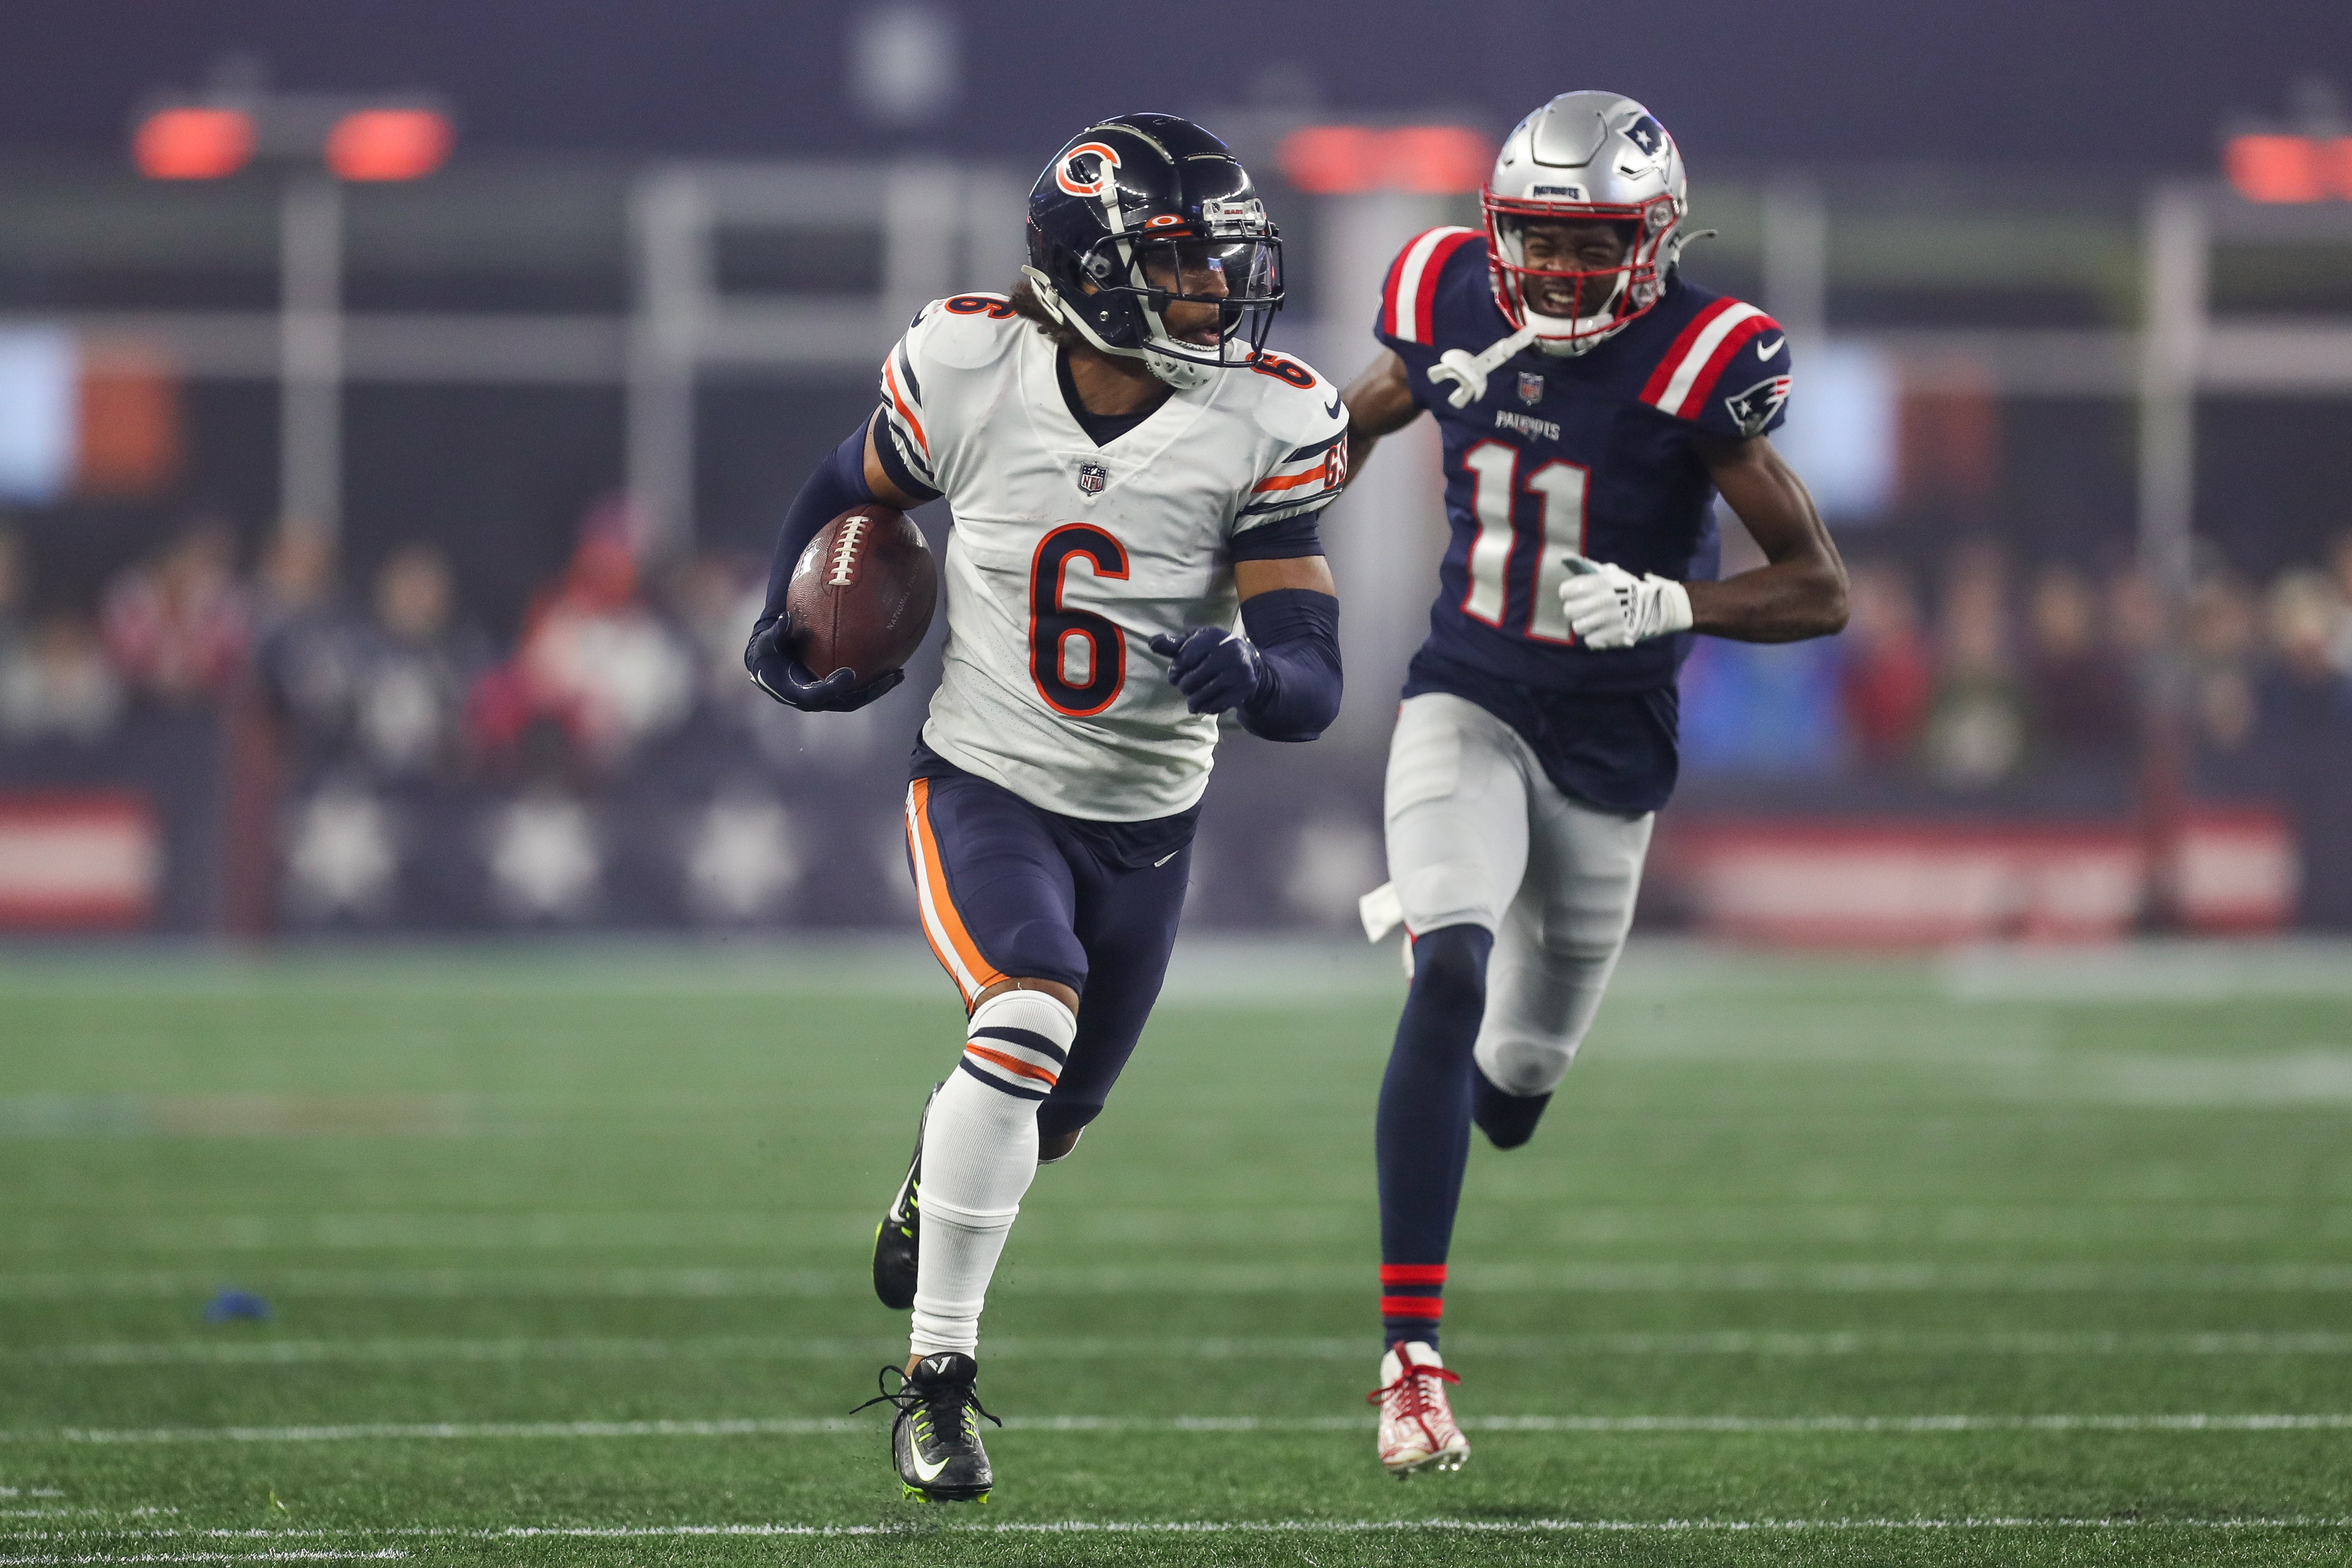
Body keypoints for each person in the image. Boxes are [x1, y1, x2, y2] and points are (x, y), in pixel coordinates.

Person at [743, 113, 1347, 1503]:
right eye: (1182, 263)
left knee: (1047, 1112)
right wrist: (789, 620)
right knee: (1027, 1006)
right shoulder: (970, 371)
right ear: (1088, 268)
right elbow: (849, 488)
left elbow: (1315, 673)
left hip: (1148, 824)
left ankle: (932, 1171)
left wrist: (1260, 676)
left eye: (1221, 261)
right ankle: (936, 1384)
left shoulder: (1256, 420)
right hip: (987, 781)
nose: (1215, 291)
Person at [1342, 91, 1848, 1473]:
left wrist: (1671, 603)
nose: (1558, 276)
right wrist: (1234, 518)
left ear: (1655, 238)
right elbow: (1346, 428)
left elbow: (1819, 590)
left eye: (1592, 246)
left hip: (1609, 757)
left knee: (1509, 1092)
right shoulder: (1446, 292)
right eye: (1537, 243)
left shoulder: (1699, 358)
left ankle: (1457, 933)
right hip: (1467, 696)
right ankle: (1408, 1364)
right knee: (1448, 973)